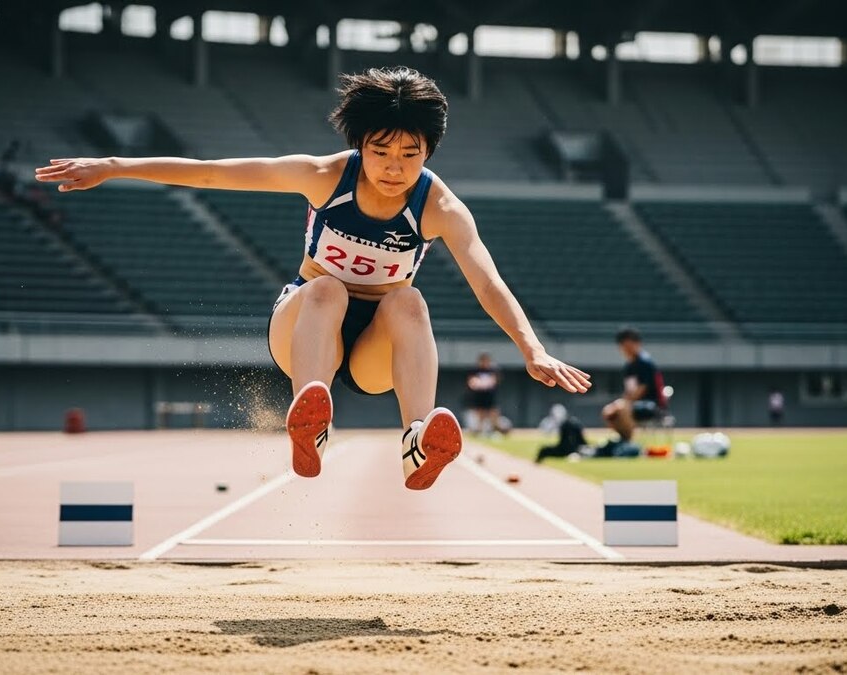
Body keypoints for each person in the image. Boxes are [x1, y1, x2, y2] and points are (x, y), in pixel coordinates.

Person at [34, 67, 591, 490]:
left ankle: (417, 441)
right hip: (306, 326)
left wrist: (532, 348)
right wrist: (114, 166)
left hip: (374, 346)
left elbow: (486, 280)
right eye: (381, 151)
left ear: (428, 151)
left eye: (409, 154)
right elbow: (211, 173)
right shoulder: (325, 176)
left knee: (411, 301)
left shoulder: (439, 205)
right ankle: (310, 419)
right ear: (360, 144)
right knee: (329, 287)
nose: (394, 167)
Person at [602, 327, 666, 443]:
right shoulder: (629, 366)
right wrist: (621, 402)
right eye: (624, 346)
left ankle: (629, 442)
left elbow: (642, 389)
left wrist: (625, 403)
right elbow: (629, 390)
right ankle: (622, 438)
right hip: (634, 403)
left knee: (623, 409)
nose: (626, 349)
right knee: (608, 411)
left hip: (651, 404)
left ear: (637, 343)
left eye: (629, 346)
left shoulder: (645, 362)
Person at [465, 352, 501, 435]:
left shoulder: (493, 370)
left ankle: (494, 431)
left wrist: (484, 383)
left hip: (490, 395)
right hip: (479, 396)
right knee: (480, 413)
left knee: (493, 413)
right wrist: (478, 384)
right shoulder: (475, 370)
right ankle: (479, 431)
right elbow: (471, 382)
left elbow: (494, 381)